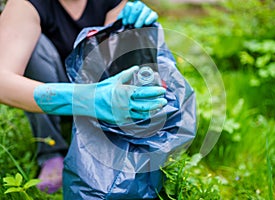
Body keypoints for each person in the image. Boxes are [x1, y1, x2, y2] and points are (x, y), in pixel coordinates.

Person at [0, 0, 167, 194]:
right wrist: (86, 99)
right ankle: (51, 152)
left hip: (102, 89)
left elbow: (116, 54)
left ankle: (114, 141)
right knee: (33, 46)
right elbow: (3, 82)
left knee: (129, 29)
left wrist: (140, 32)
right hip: (54, 91)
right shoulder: (26, 4)